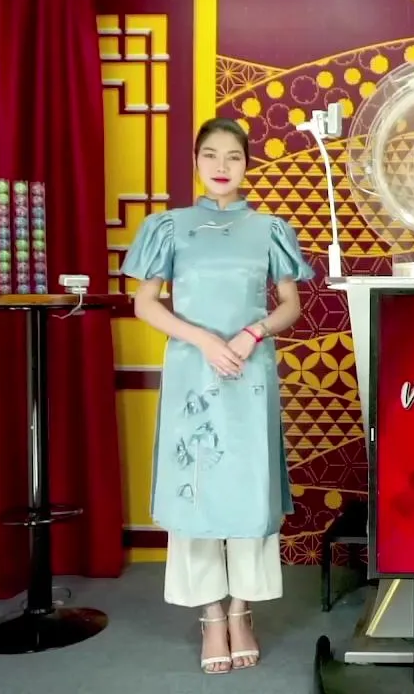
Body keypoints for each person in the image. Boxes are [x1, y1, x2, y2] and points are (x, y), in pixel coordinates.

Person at [121, 117, 314, 674]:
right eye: (211, 155)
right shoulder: (168, 227)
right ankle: (210, 616)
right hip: (193, 372)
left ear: (247, 164)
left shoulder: (269, 228)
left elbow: (290, 304)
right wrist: (204, 340)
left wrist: (253, 332)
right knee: (197, 489)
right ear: (196, 162)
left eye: (233, 156)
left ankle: (241, 611)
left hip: (250, 372)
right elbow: (145, 303)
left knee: (250, 491)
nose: (222, 166)